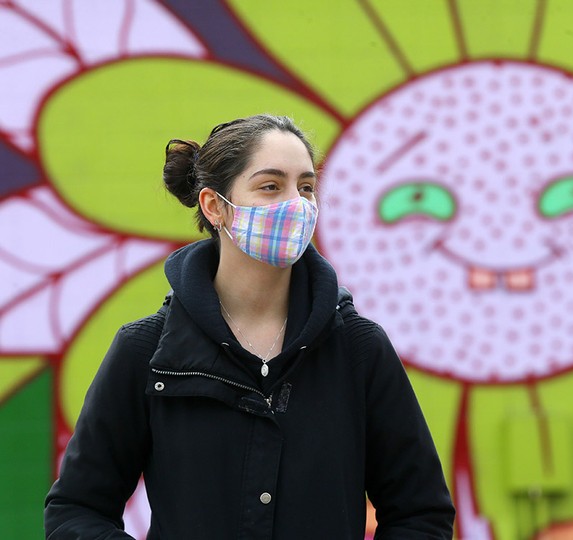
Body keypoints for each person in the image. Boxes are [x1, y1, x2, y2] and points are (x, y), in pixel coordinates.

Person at [44, 114, 455, 539]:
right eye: (271, 186)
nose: (296, 205)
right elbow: (77, 511)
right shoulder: (147, 351)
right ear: (215, 206)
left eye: (306, 187)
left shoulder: (359, 348)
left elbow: (420, 513)